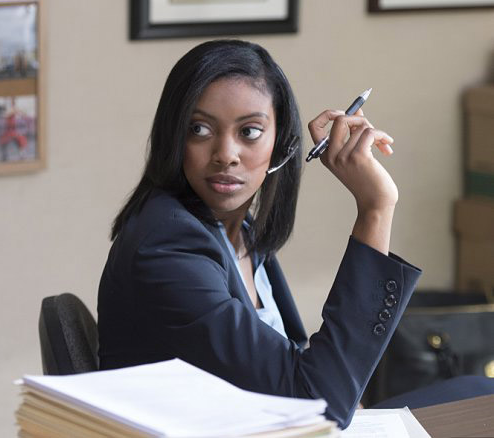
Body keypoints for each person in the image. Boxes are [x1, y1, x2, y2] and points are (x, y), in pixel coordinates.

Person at [97, 39, 422, 428]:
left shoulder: (236, 228)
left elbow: (300, 367)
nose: (226, 154)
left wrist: (345, 399)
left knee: (473, 390)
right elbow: (315, 402)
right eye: (199, 129)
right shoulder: (168, 249)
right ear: (174, 137)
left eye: (249, 132)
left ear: (281, 143)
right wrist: (375, 208)